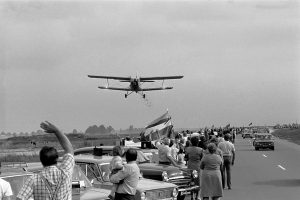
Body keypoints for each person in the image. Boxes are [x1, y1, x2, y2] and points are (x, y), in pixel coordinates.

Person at [17, 121, 74, 200]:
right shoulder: (66, 172)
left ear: (41, 160)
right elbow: (69, 149)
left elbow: (20, 198)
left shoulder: (34, 179)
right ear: (57, 158)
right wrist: (57, 131)